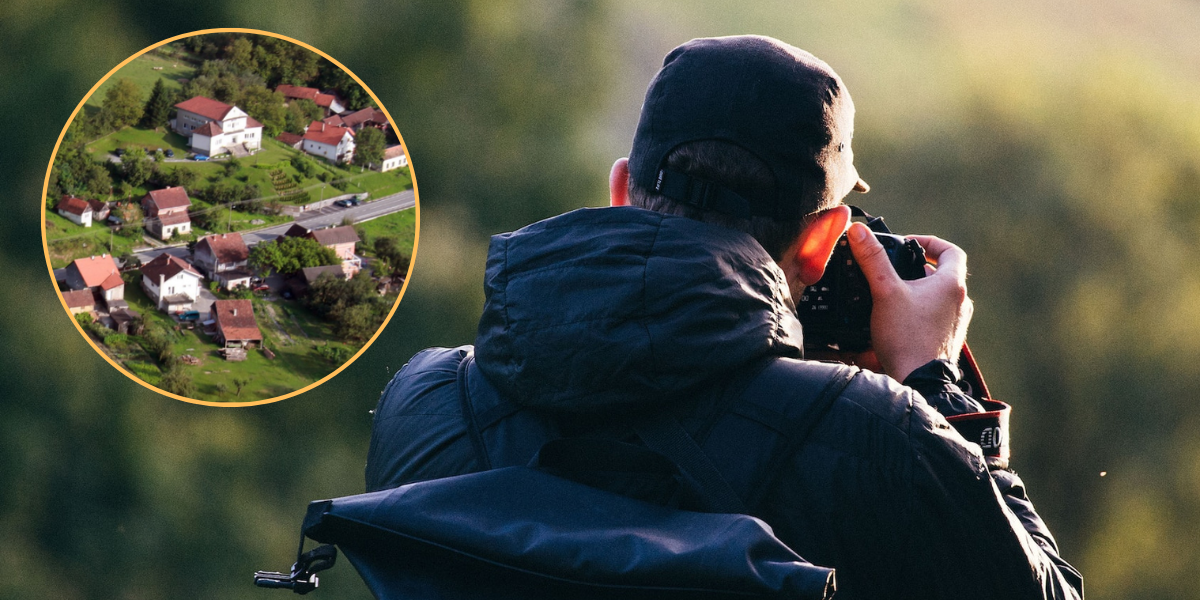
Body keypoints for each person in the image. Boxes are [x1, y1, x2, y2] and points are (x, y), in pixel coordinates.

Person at [365, 35, 1083, 599]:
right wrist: (934, 384)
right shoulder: (881, 445)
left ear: (622, 189)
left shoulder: (426, 408)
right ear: (822, 242)